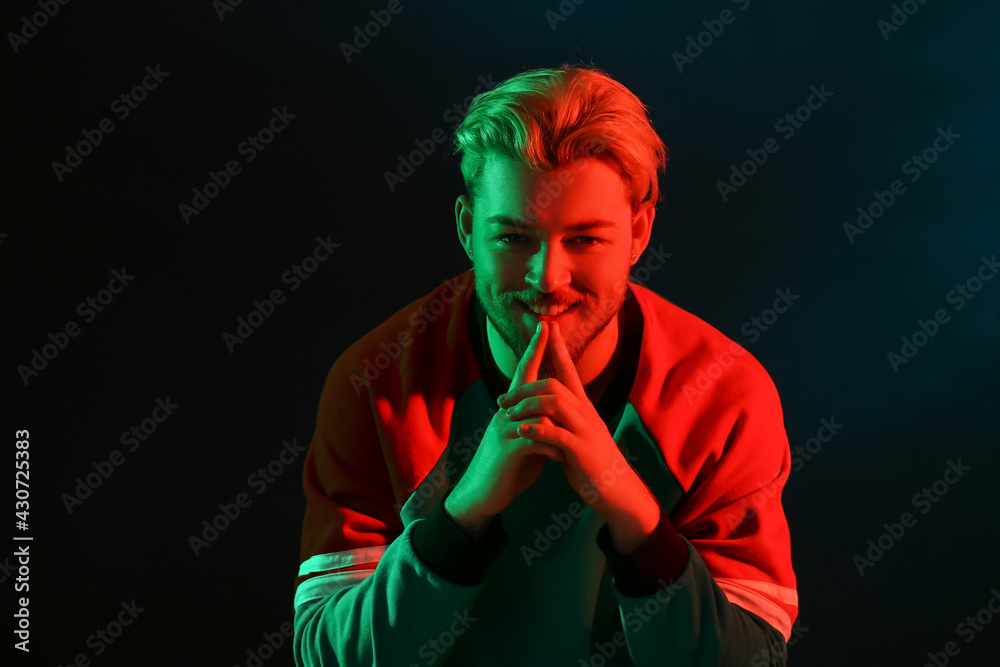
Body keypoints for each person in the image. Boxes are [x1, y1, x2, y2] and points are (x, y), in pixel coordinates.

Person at [293, 64, 798, 667]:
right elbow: (327, 655)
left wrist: (627, 506)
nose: (547, 279)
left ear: (639, 231)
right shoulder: (374, 383)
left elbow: (752, 659)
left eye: (585, 240)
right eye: (513, 239)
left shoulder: (726, 396)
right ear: (466, 230)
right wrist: (464, 513)